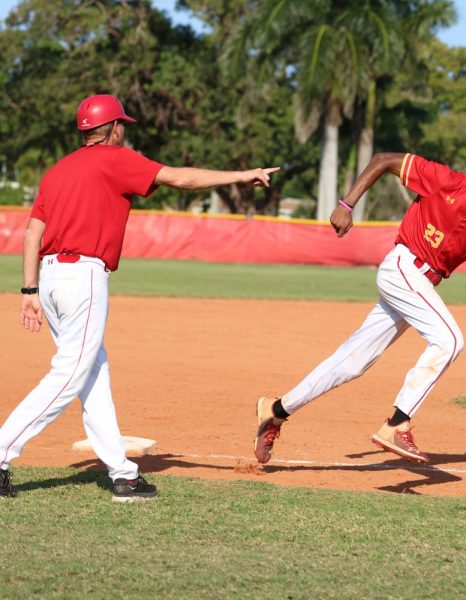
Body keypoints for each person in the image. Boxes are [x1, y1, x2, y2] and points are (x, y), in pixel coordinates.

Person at [0, 94, 279, 502]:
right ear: (112, 128)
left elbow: (31, 233)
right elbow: (181, 178)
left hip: (51, 276)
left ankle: (123, 475)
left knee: (92, 374)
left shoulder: (57, 170)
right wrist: (240, 175)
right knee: (70, 374)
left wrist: (29, 291)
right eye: (122, 124)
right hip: (83, 279)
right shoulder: (115, 157)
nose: (124, 130)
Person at [253, 133, 466, 465]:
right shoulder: (443, 179)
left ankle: (276, 410)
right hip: (402, 267)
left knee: (352, 362)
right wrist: (346, 204)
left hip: (419, 285)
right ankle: (397, 424)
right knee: (450, 340)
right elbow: (383, 160)